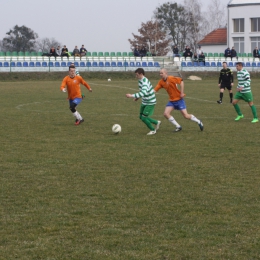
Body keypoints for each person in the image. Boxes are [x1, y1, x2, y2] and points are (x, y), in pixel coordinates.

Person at [126, 68, 161, 135]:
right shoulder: (140, 80)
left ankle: (153, 130)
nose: (136, 76)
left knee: (144, 118)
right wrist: (137, 97)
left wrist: (131, 95)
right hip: (145, 101)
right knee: (141, 117)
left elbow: (143, 93)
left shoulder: (145, 82)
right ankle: (156, 122)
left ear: (141, 74)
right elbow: (141, 91)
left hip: (150, 101)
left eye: (137, 75)